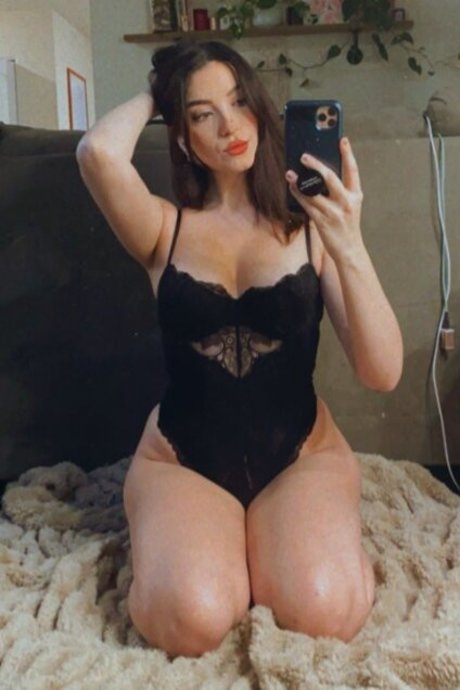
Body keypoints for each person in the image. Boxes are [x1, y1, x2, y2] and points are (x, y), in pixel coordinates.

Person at [76, 39, 403, 659]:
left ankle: (275, 543)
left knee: (322, 611)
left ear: (260, 106)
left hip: (301, 454)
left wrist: (349, 242)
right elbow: (97, 152)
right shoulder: (163, 228)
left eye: (239, 101)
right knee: (191, 621)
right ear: (182, 136)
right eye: (203, 114)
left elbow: (382, 372)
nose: (230, 126)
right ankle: (221, 547)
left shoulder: (313, 228)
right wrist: (163, 87)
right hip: (181, 459)